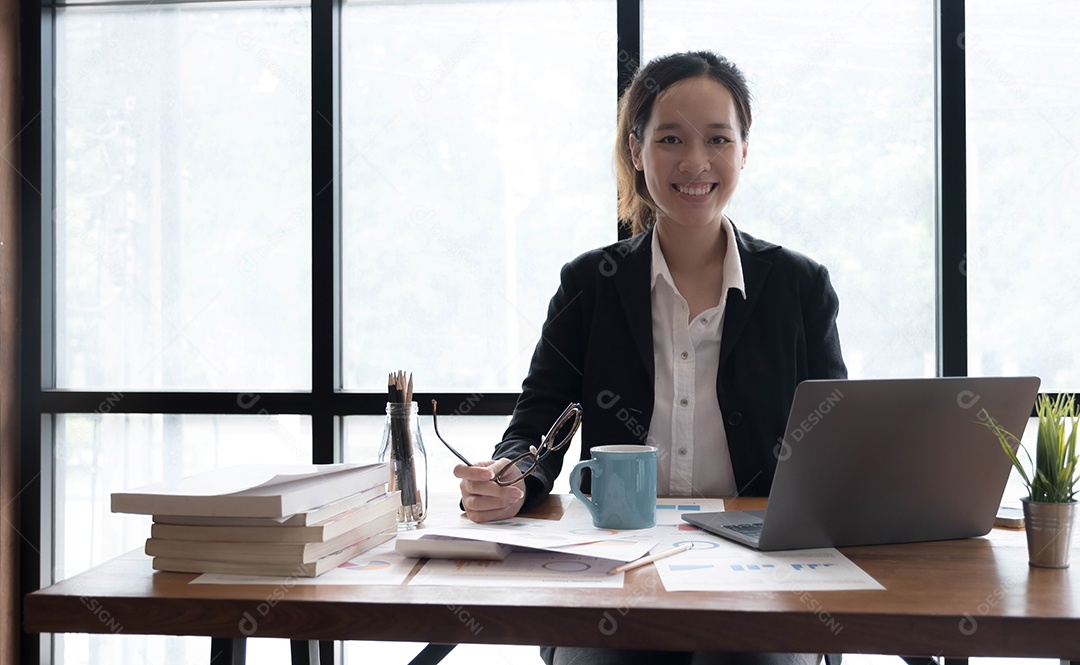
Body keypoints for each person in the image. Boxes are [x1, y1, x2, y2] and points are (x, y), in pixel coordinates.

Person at [455, 50, 846, 665]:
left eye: (718, 138)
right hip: (618, 566)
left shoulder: (799, 286)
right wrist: (511, 482)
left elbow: (834, 451)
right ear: (636, 151)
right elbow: (534, 429)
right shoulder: (591, 283)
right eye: (670, 138)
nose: (696, 162)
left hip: (760, 572)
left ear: (745, 150)